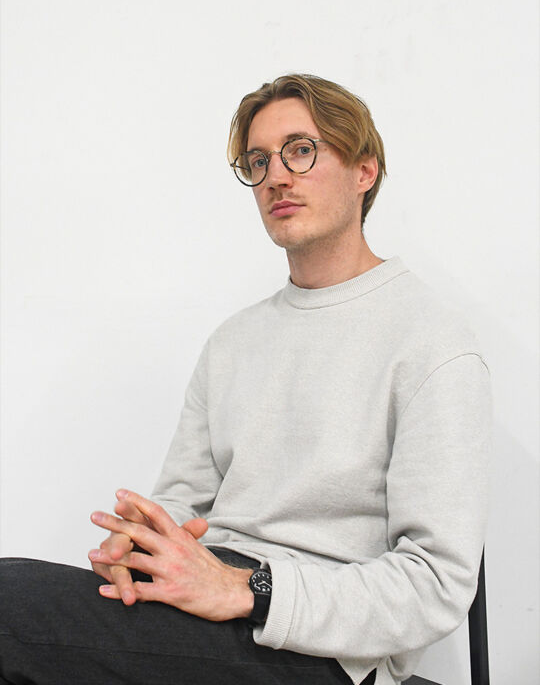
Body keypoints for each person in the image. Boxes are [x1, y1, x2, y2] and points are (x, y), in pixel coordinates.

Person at [0, 74, 492, 685]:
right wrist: (144, 543)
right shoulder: (233, 341)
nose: (276, 176)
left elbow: (436, 585)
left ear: (364, 171)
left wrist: (249, 590)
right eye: (259, 161)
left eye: (301, 150)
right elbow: (183, 502)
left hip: (319, 648)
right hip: (208, 607)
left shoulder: (433, 344)